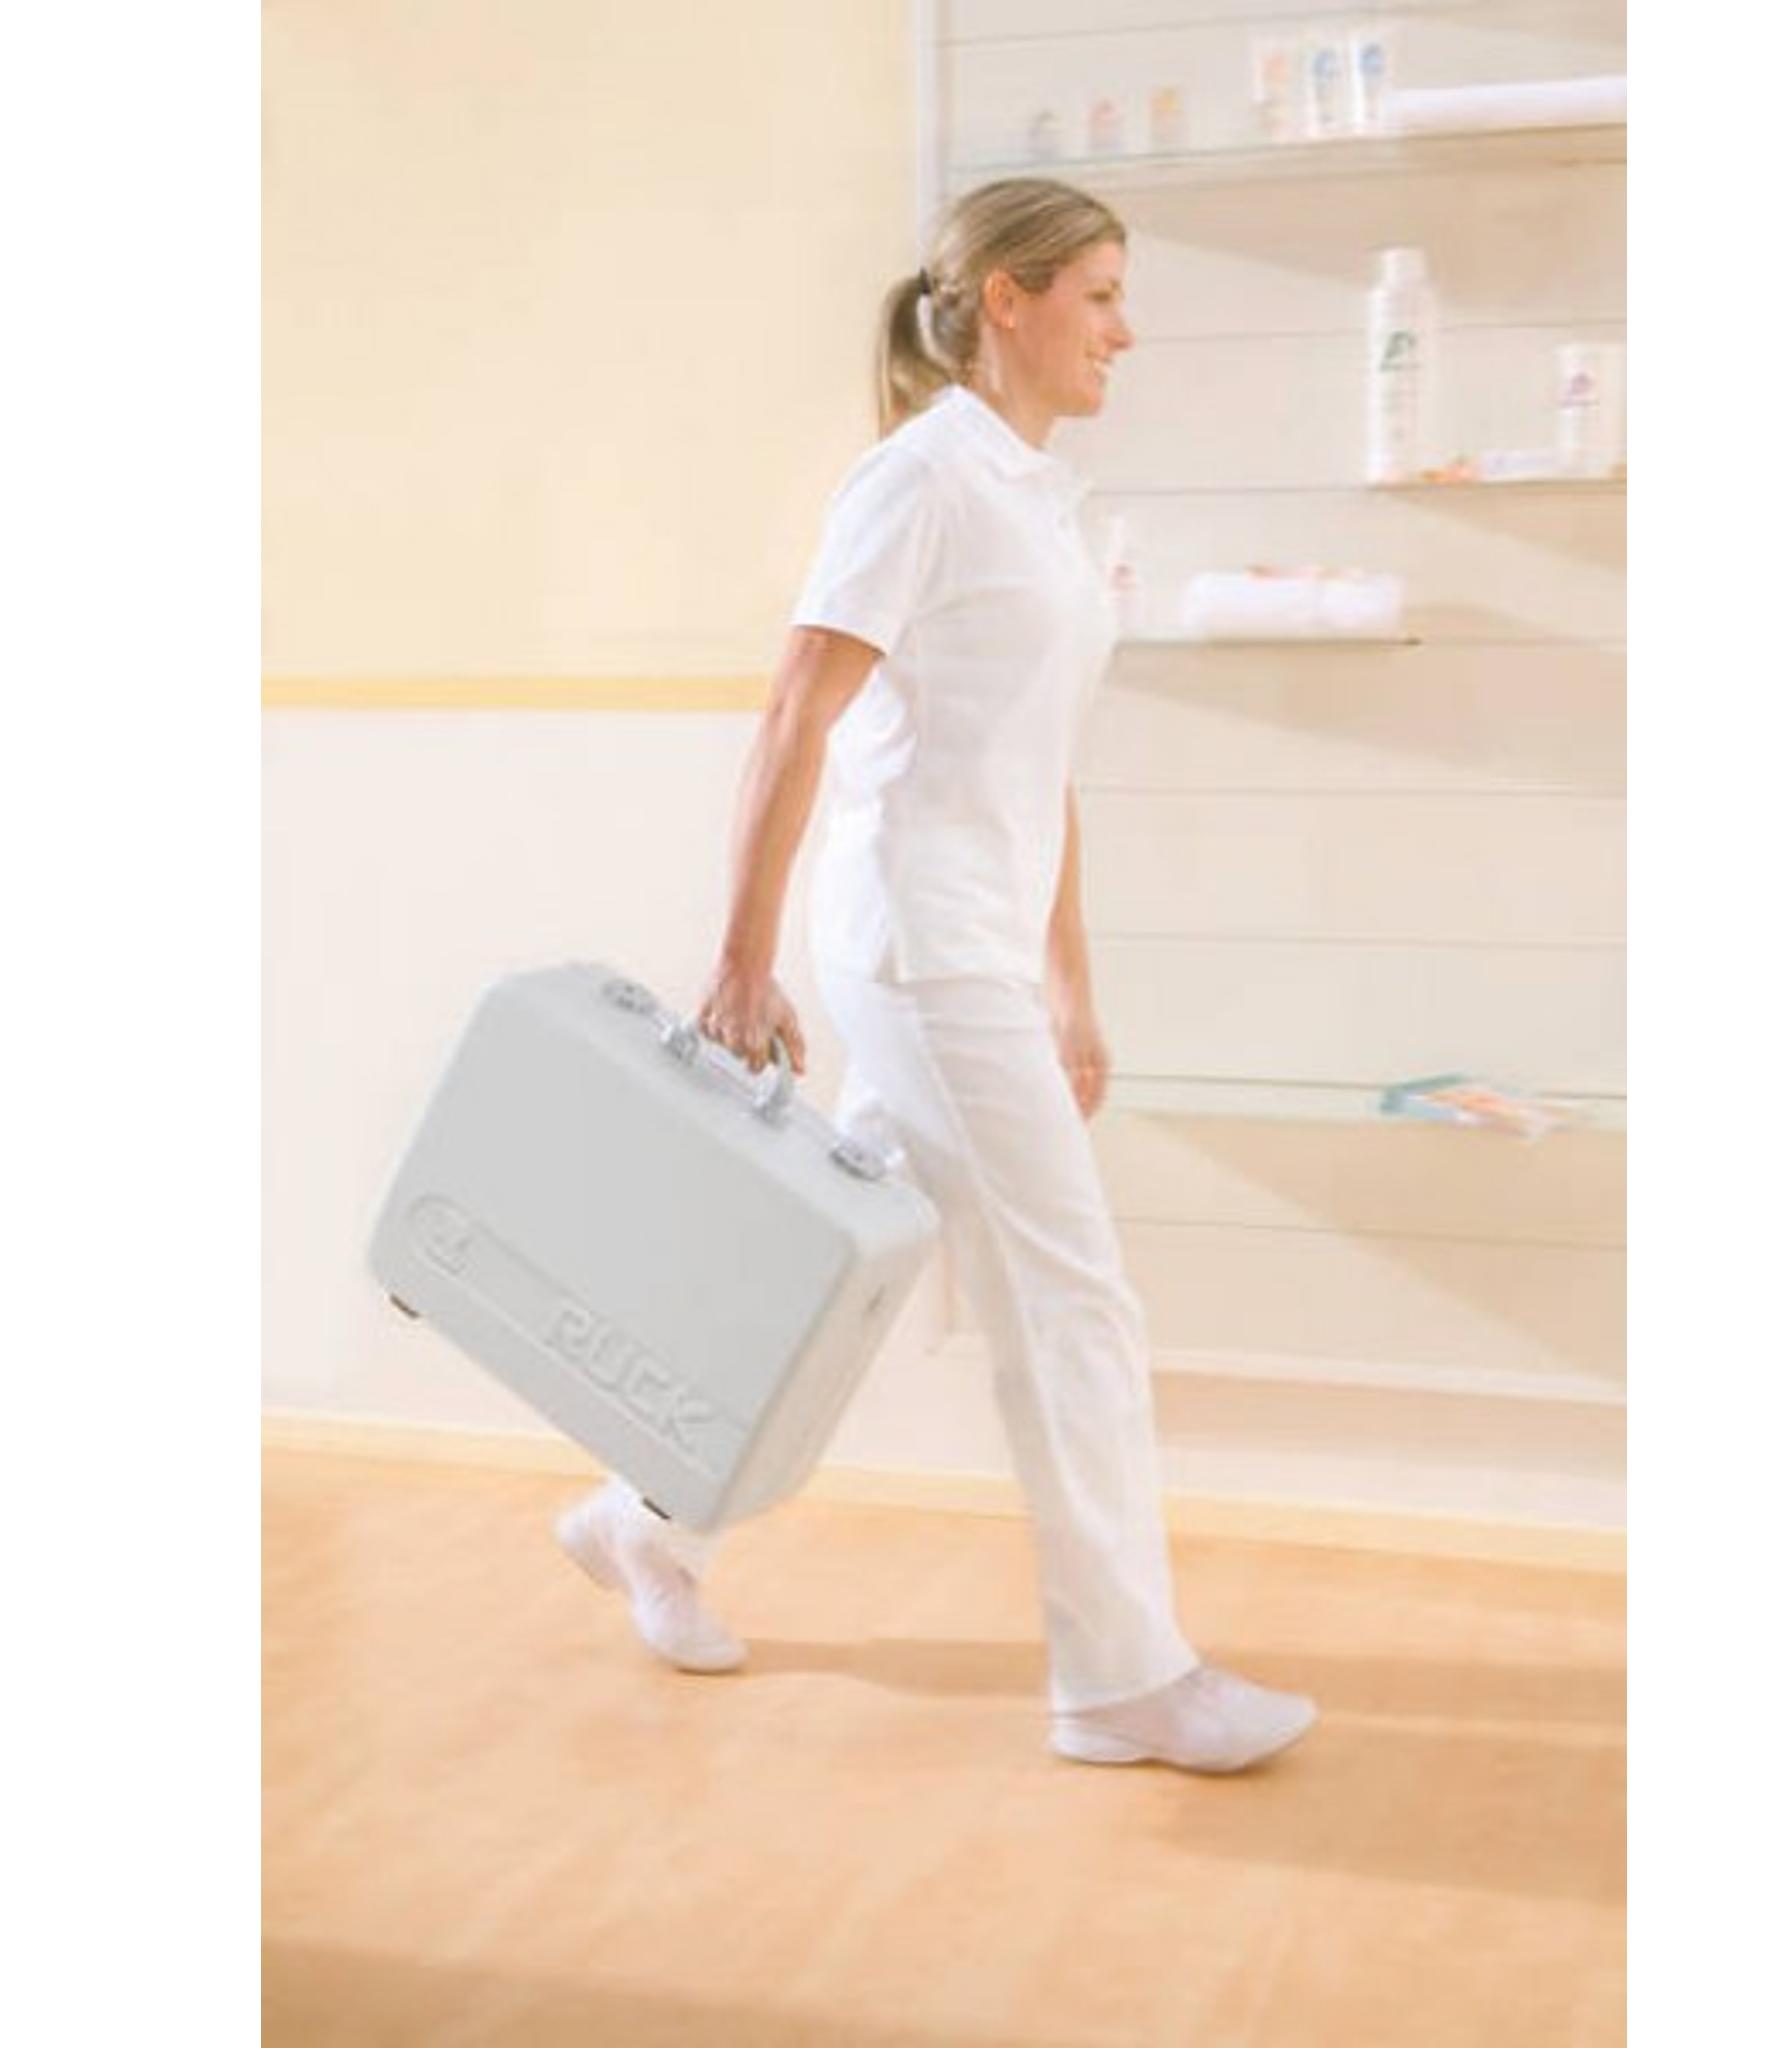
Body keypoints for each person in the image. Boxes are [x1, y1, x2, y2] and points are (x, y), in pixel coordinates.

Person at [555, 178, 1317, 1774]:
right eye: (1100, 295)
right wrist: (741, 959)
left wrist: (1072, 985)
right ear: (1008, 302)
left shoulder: (1044, 502)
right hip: (918, 944)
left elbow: (1037, 767)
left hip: (980, 946)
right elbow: (796, 713)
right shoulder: (916, 481)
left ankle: (649, 1520)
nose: (1125, 330)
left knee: (844, 1265)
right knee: (1077, 1300)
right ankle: (1123, 1679)